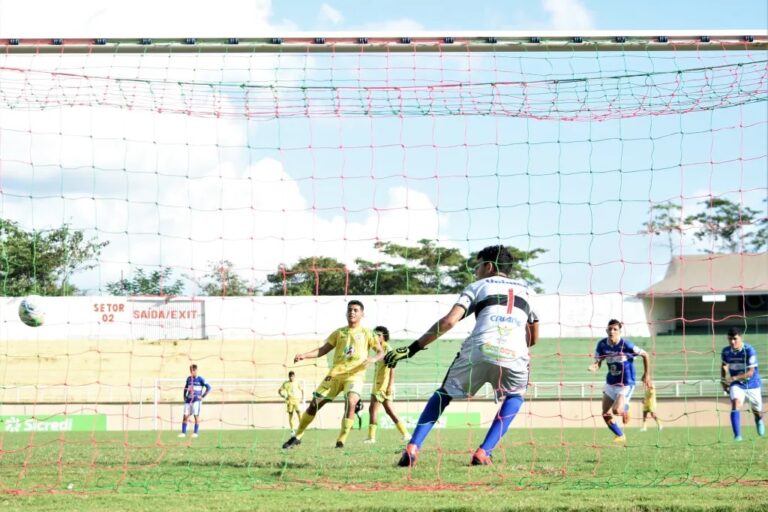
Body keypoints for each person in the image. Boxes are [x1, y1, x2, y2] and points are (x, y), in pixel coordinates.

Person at [385, 245, 539, 467]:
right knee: (515, 396)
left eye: (478, 265)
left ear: (489, 266)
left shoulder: (478, 286)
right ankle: (484, 452)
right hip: (515, 354)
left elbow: (449, 321)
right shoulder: (526, 290)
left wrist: (413, 348)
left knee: (444, 394)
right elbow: (533, 337)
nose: (476, 271)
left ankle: (413, 446)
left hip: (479, 348)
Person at [282, 300, 383, 449]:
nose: (352, 312)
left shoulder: (368, 333)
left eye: (355, 310)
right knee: (314, 405)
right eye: (349, 309)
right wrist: (304, 355)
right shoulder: (339, 332)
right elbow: (323, 350)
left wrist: (373, 359)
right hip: (335, 374)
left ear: (362, 314)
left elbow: (381, 352)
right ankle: (298, 436)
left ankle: (340, 441)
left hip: (355, 375)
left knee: (351, 401)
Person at [588, 319, 651, 444]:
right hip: (611, 382)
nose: (612, 331)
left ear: (619, 331)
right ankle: (620, 435)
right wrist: (594, 366)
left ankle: (626, 408)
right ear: (606, 330)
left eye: (615, 329)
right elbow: (598, 362)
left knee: (616, 411)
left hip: (626, 384)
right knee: (605, 413)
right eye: (610, 329)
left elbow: (645, 355)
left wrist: (646, 374)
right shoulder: (601, 345)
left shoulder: (626, 345)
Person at [364, 326, 411, 444]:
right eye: (374, 334)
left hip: (382, 385)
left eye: (378, 335)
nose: (376, 337)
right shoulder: (378, 349)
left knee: (373, 409)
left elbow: (392, 369)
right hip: (381, 383)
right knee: (389, 410)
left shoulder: (387, 349)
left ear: (384, 336)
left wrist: (390, 385)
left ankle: (371, 438)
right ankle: (406, 434)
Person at [720, 327, 765, 441]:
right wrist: (723, 379)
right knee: (735, 404)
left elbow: (750, 373)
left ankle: (758, 420)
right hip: (737, 384)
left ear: (740, 338)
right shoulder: (726, 351)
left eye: (735, 339)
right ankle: (737, 436)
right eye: (730, 339)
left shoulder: (749, 350)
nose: (732, 342)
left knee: (757, 412)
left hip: (753, 384)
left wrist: (734, 377)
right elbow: (724, 365)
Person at [178, 364, 211, 438]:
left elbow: (209, 387)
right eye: (190, 370)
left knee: (196, 415)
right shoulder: (189, 379)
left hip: (196, 400)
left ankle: (195, 433)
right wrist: (184, 396)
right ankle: (183, 433)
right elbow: (185, 387)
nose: (191, 372)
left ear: (196, 370)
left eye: (193, 370)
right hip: (188, 400)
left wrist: (202, 396)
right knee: (185, 416)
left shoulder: (200, 379)